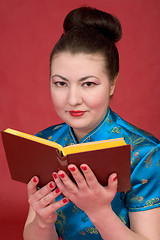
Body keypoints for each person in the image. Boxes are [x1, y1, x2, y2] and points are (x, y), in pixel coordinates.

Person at [23, 6, 160, 240]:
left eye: (88, 84)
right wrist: (43, 222)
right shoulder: (44, 142)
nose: (73, 99)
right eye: (60, 83)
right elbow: (31, 235)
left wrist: (99, 211)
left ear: (112, 83)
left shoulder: (145, 153)